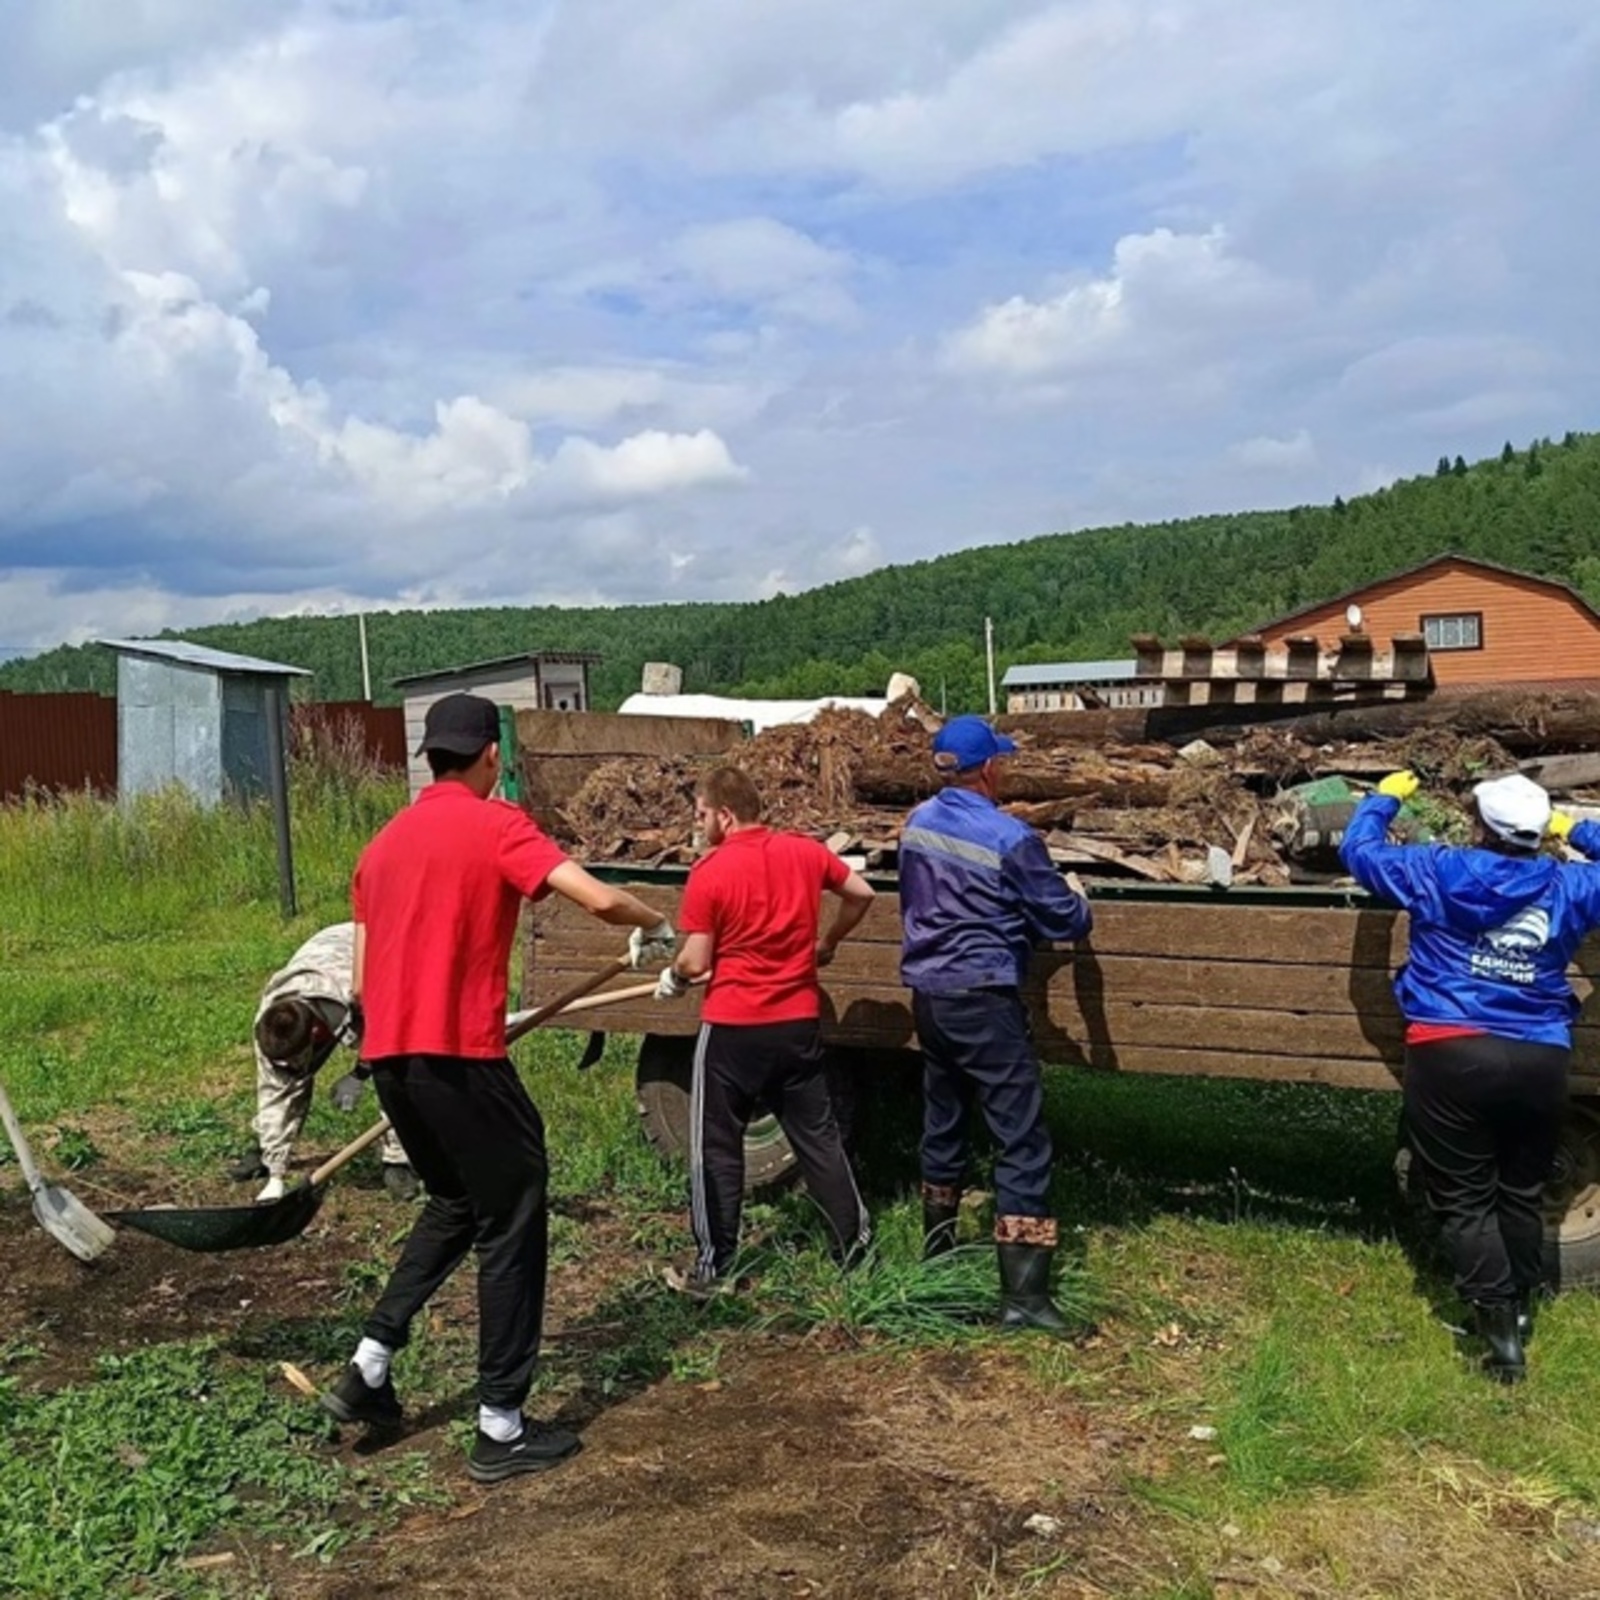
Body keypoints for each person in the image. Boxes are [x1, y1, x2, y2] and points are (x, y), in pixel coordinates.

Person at [319, 692, 676, 1482]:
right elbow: (595, 896)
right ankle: (501, 1424)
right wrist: (656, 924)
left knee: (454, 1200)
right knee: (514, 1210)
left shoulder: (381, 845)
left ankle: (369, 1366)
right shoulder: (498, 822)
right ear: (491, 755)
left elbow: (363, 964)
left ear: (430, 758)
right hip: (462, 1060)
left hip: (393, 1063)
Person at [1341, 769, 1600, 1382]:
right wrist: (1578, 828)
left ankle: (1499, 1334)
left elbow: (1360, 852)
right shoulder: (1573, 884)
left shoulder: (1438, 869)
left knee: (1463, 1197)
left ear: (1481, 826)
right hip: (1538, 1054)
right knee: (1520, 1188)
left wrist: (1385, 798)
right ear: (1537, 836)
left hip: (1450, 1048)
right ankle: (1522, 1311)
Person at [899, 715, 1093, 1333]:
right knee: (1021, 1139)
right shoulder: (1010, 837)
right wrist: (1079, 897)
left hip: (930, 996)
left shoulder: (916, 827)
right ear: (988, 768)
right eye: (1000, 761)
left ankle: (938, 1257)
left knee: (945, 1122)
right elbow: (1062, 919)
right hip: (985, 996)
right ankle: (1025, 1297)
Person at [653, 764, 876, 1294]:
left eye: (703, 815)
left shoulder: (711, 872)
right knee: (819, 1141)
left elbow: (695, 960)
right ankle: (855, 1249)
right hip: (796, 1022)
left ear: (725, 816)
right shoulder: (804, 852)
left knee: (716, 1146)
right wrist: (829, 942)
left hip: (733, 1028)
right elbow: (861, 894)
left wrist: (675, 975)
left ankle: (714, 1266)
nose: (700, 824)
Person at [229, 922, 419, 1203]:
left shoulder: (355, 992)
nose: (289, 1066)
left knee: (393, 1072)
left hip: (375, 956)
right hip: (323, 959)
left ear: (317, 1033)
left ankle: (398, 1162)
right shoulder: (271, 1020)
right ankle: (267, 1151)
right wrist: (276, 1175)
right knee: (286, 1081)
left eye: (295, 1057)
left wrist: (359, 1074)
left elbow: (387, 1037)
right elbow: (275, 1087)